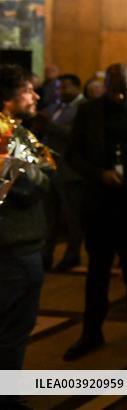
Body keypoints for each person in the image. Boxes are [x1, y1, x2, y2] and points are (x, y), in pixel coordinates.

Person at [64, 64, 127, 360]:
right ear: (106, 83)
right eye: (117, 87)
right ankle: (91, 332)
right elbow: (74, 155)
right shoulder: (88, 112)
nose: (122, 94)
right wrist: (100, 174)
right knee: (97, 271)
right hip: (99, 203)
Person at [0, 64, 56, 379]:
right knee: (12, 331)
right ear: (8, 99)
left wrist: (36, 170)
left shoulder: (14, 130)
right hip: (13, 246)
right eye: (28, 90)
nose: (36, 95)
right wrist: (38, 173)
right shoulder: (7, 133)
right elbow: (19, 186)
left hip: (18, 244)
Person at [41, 73, 86, 271]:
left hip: (70, 171)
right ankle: (45, 255)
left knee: (72, 217)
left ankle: (72, 254)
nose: (60, 91)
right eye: (58, 88)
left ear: (77, 88)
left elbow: (77, 137)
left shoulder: (84, 108)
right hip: (49, 169)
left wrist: (49, 127)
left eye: (65, 87)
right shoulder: (54, 107)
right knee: (48, 216)